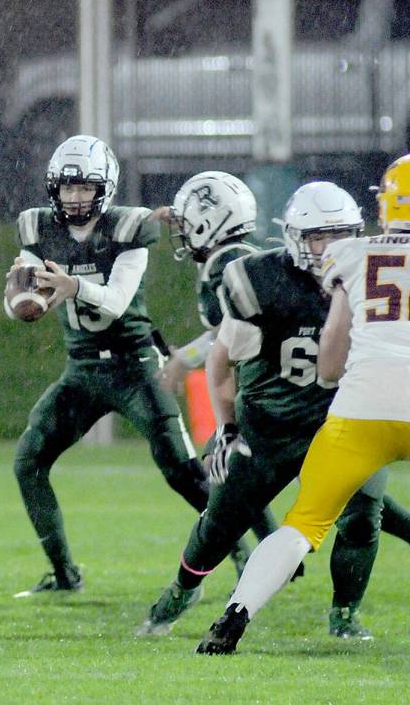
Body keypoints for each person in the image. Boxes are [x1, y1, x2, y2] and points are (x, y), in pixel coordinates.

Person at [138, 180, 389, 641]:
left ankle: (345, 616)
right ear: (295, 238)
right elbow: (220, 359)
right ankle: (182, 589)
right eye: (319, 237)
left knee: (363, 516)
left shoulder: (372, 277)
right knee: (220, 525)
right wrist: (228, 429)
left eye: (342, 235)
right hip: (270, 427)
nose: (332, 248)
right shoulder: (261, 280)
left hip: (341, 426)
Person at [196, 155, 410, 654]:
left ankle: (235, 615)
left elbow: (330, 364)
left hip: (361, 414)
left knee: (303, 523)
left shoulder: (353, 255)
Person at [9, 134, 217, 596]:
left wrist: (72, 285)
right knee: (29, 460)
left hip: (135, 367)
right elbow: (23, 293)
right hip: (82, 370)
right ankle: (64, 574)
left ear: (105, 189)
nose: (76, 197)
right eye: (67, 188)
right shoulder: (38, 228)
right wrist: (21, 300)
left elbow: (118, 301)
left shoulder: (130, 228)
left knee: (183, 473)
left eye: (86, 187)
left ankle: (243, 554)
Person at [152, 172, 279, 574]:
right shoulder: (235, 255)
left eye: (191, 224)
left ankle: (259, 558)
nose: (185, 233)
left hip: (272, 384)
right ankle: (274, 556)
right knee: (239, 472)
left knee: (232, 470)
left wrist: (181, 360)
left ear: (212, 223)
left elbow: (225, 336)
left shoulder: (227, 264)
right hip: (274, 377)